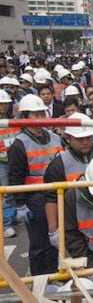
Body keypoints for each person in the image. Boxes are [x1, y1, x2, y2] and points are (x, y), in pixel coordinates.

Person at [8, 94, 64, 275]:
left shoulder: (55, 138)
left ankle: (55, 274)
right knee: (40, 243)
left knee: (56, 240)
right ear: (24, 117)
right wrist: (20, 203)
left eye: (42, 113)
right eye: (35, 114)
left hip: (58, 195)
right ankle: (40, 279)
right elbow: (15, 176)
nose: (40, 118)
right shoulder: (19, 144)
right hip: (36, 198)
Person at [44, 113, 93, 248]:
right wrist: (53, 230)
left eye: (88, 138)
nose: (85, 142)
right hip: (74, 223)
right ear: (68, 138)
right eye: (80, 139)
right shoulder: (59, 163)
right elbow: (51, 198)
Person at [0, 90, 19, 238]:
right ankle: (7, 223)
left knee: (14, 190)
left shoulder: (14, 120)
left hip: (14, 160)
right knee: (6, 193)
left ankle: (12, 215)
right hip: (2, 162)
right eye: (1, 104)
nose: (3, 106)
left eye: (5, 103)